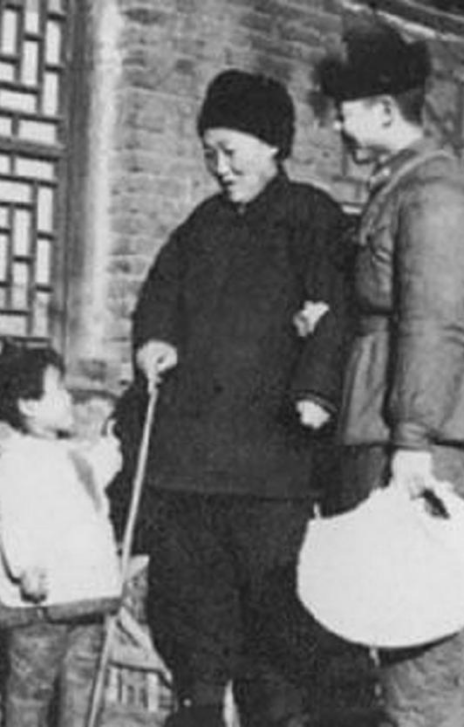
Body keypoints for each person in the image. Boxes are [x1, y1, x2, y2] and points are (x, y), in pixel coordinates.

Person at [318, 18, 464, 727]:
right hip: (396, 423)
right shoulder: (404, 185)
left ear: (385, 110)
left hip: (419, 436)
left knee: (422, 634)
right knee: (403, 624)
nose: (336, 125)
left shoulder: (439, 195)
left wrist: (411, 440)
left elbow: (435, 322)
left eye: (344, 110)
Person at [129, 69, 351, 727]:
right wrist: (154, 340)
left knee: (272, 609)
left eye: (230, 151)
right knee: (191, 603)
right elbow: (159, 293)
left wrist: (315, 389)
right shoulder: (202, 224)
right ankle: (197, 706)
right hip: (192, 460)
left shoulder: (311, 215)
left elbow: (337, 309)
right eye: (210, 154)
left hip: (272, 460)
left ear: (273, 145)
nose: (220, 168)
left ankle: (273, 714)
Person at [0, 345, 123, 727]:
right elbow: (13, 518)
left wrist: (112, 442)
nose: (69, 398)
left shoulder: (71, 455)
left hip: (86, 595)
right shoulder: (15, 463)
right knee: (32, 688)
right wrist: (25, 566)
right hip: (42, 603)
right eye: (59, 390)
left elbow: (96, 476)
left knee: (84, 687)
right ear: (28, 404)